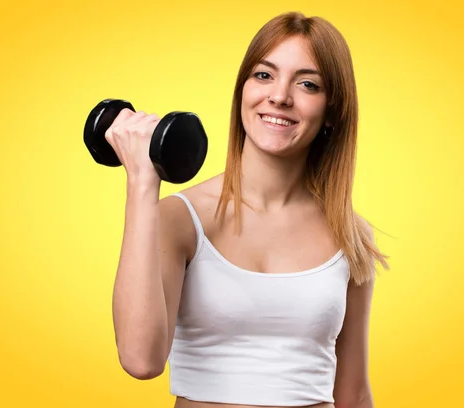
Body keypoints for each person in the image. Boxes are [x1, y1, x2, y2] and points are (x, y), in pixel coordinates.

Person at [105, 11, 389, 408]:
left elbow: (354, 393)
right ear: (242, 90)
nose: (280, 96)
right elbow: (140, 359)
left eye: (307, 83)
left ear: (332, 112)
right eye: (264, 75)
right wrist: (141, 182)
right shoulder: (178, 219)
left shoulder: (350, 234)